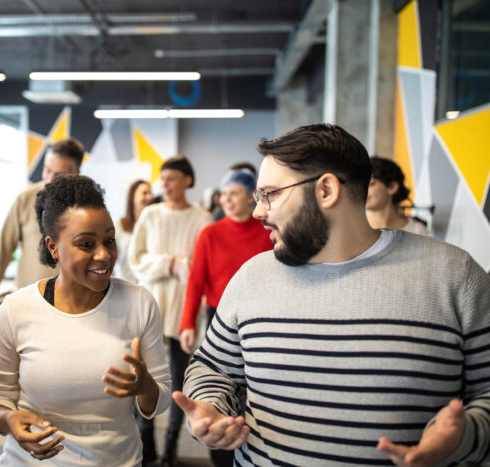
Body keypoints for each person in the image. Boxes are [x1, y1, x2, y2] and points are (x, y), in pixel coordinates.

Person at [174, 123, 490, 466]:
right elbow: (212, 368)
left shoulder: (454, 276)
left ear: (326, 190)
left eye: (270, 194)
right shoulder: (252, 277)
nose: (258, 212)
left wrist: (464, 437)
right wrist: (209, 407)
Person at [0, 174, 170, 466]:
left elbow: (160, 401)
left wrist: (145, 387)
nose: (104, 254)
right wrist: (9, 419)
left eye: (109, 240)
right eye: (86, 244)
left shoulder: (139, 303)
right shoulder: (16, 310)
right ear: (53, 247)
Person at [177, 168, 272, 467]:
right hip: (219, 315)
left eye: (233, 194)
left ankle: (252, 440)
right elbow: (196, 281)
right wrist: (187, 323)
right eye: (223, 194)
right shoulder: (210, 233)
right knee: (222, 380)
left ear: (250, 198)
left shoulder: (268, 231)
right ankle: (220, 447)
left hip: (262, 316)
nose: (226, 200)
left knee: (255, 384)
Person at [128, 156, 212, 466]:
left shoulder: (202, 218)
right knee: (144, 376)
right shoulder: (150, 214)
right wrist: (172, 264)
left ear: (187, 180)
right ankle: (146, 444)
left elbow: (202, 268)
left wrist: (184, 269)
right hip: (150, 304)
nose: (165, 184)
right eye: (163, 178)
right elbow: (135, 258)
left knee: (179, 380)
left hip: (185, 308)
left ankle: (171, 447)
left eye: (172, 178)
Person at [0, 138, 85, 333]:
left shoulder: (87, 206)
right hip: (30, 305)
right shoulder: (26, 200)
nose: (49, 178)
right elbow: (1, 252)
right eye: (47, 170)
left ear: (76, 174)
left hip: (75, 306)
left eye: (57, 174)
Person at [366, 156, 429, 235]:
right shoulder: (352, 230)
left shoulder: (417, 232)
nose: (362, 190)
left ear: (392, 187)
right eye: (360, 185)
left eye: (371, 184)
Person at [114, 180, 154, 284]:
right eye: (145, 193)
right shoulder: (119, 226)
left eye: (150, 193)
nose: (150, 197)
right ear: (132, 198)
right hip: (123, 288)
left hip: (148, 287)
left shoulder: (154, 227)